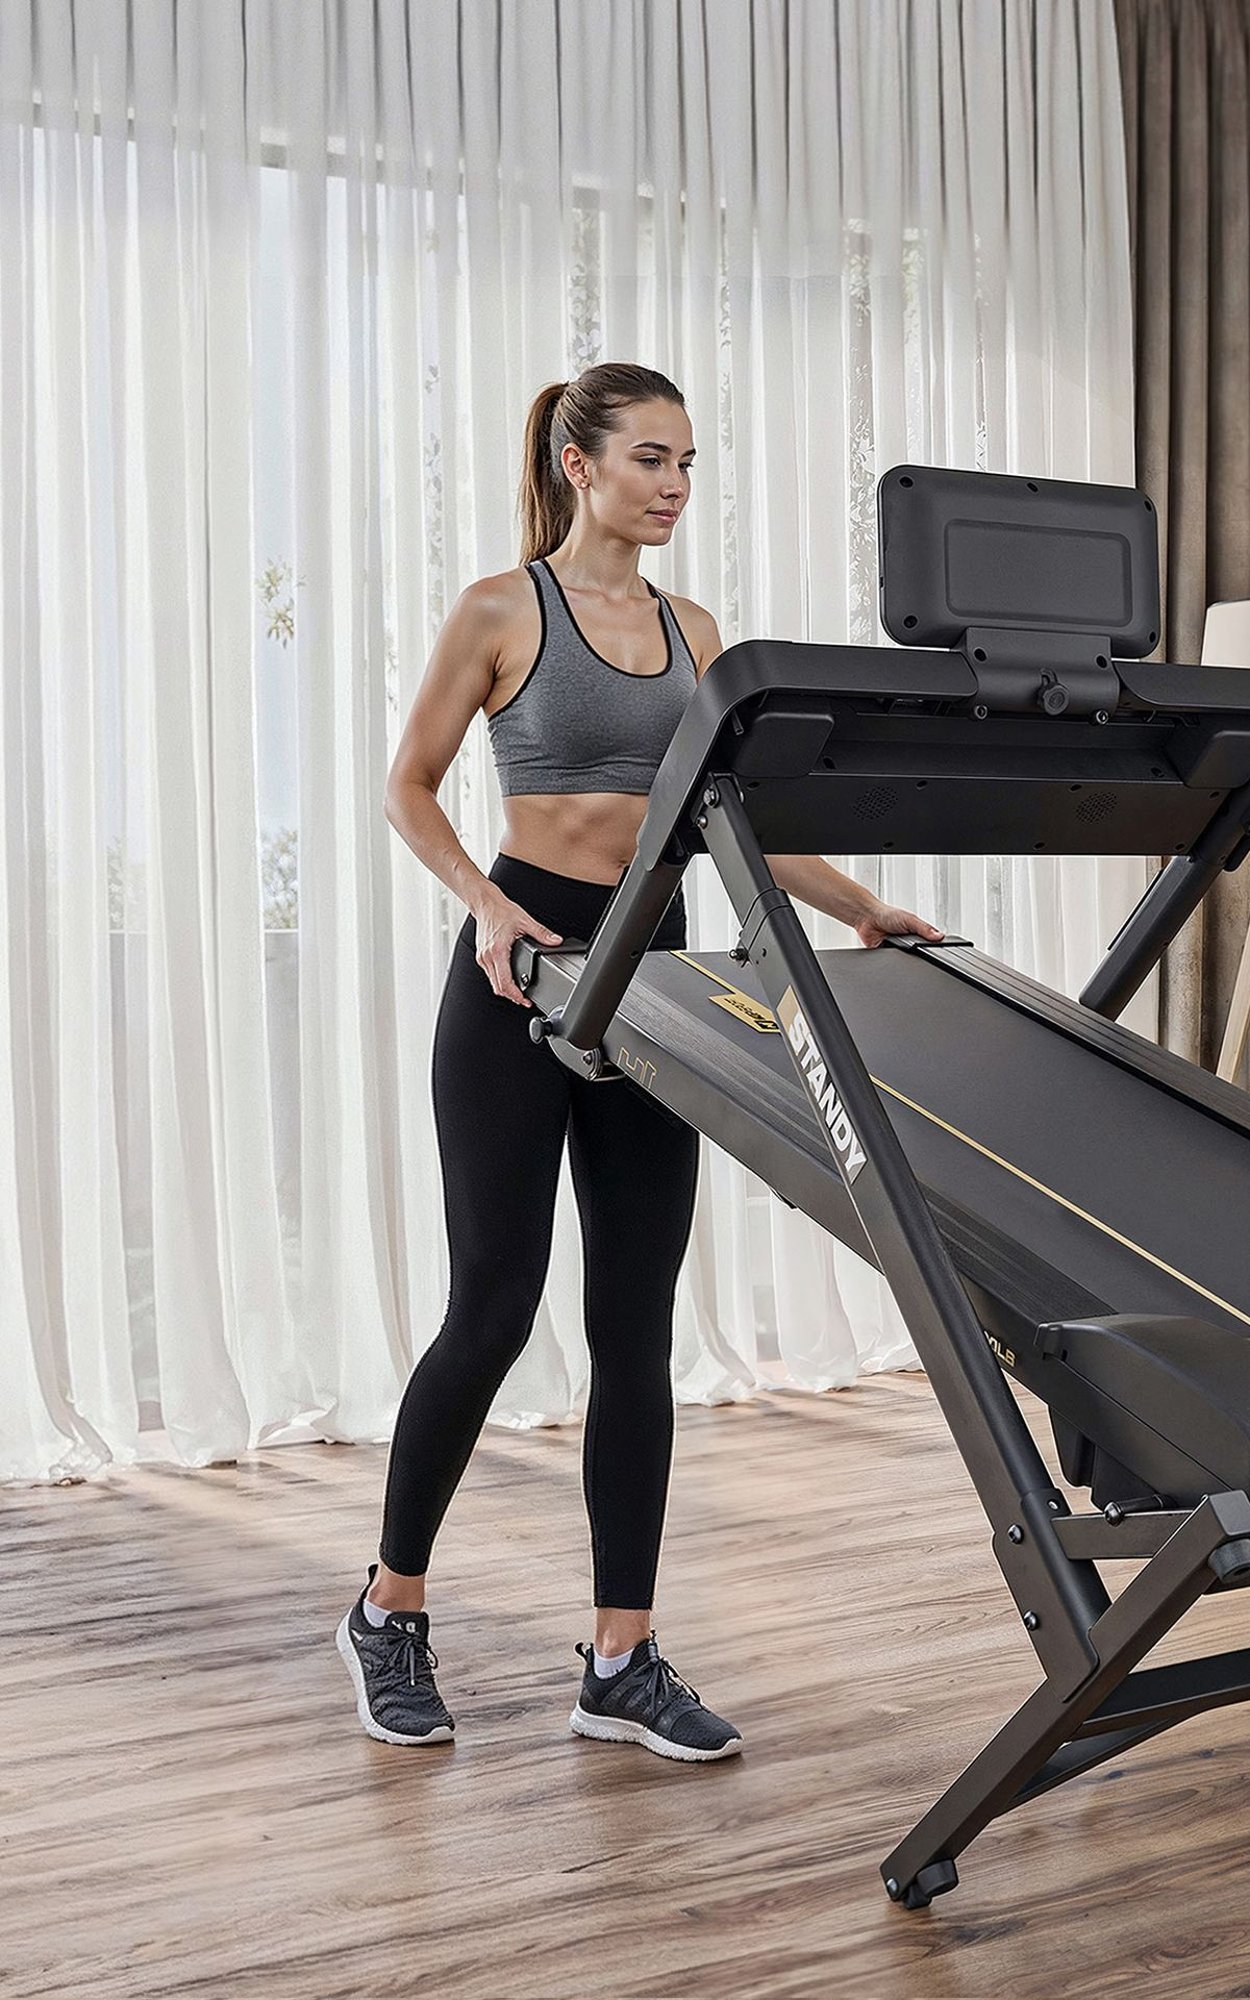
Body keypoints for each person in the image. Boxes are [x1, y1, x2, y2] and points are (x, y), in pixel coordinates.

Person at [334, 362, 942, 1760]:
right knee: (492, 1307)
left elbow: (724, 822)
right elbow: (407, 785)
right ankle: (389, 1607)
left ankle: (621, 1656)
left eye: (687, 463)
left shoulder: (694, 630)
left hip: (653, 988)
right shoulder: (502, 609)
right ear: (577, 457)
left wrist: (860, 906)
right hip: (519, 976)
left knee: (637, 1329)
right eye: (651, 459)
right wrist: (488, 909)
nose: (673, 486)